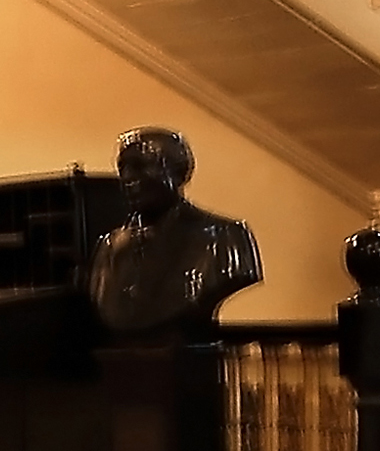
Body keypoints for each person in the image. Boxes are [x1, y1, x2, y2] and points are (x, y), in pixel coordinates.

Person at [86, 124, 262, 340]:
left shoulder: (225, 236)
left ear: (178, 172)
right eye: (123, 168)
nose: (129, 178)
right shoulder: (110, 245)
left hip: (185, 358)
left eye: (141, 166)